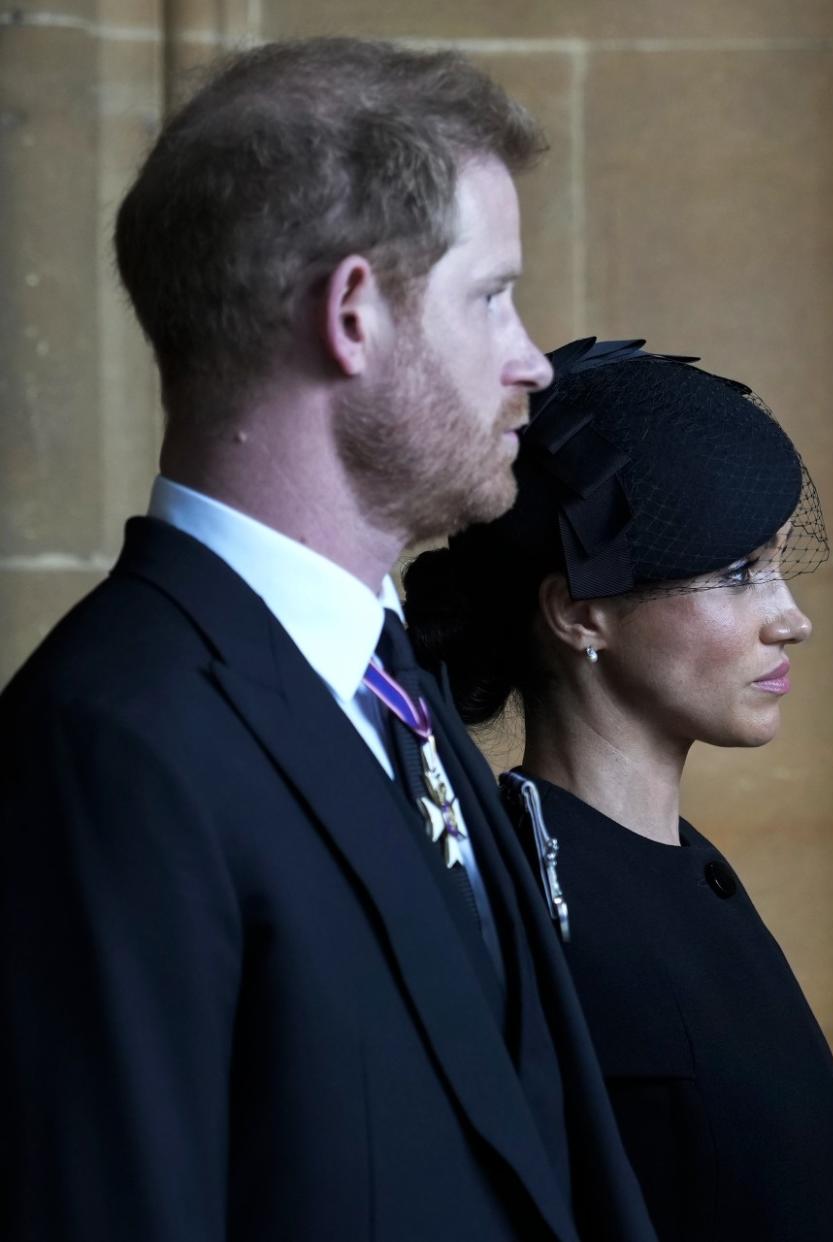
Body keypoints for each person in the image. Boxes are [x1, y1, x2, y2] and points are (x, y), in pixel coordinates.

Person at [0, 43, 656, 1242]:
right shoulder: (114, 746)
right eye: (492, 296)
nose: (534, 362)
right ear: (353, 316)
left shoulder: (391, 690)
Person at [405, 338, 833, 1241]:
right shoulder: (521, 910)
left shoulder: (680, 872)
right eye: (737, 575)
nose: (792, 619)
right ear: (582, 614)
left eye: (774, 566)